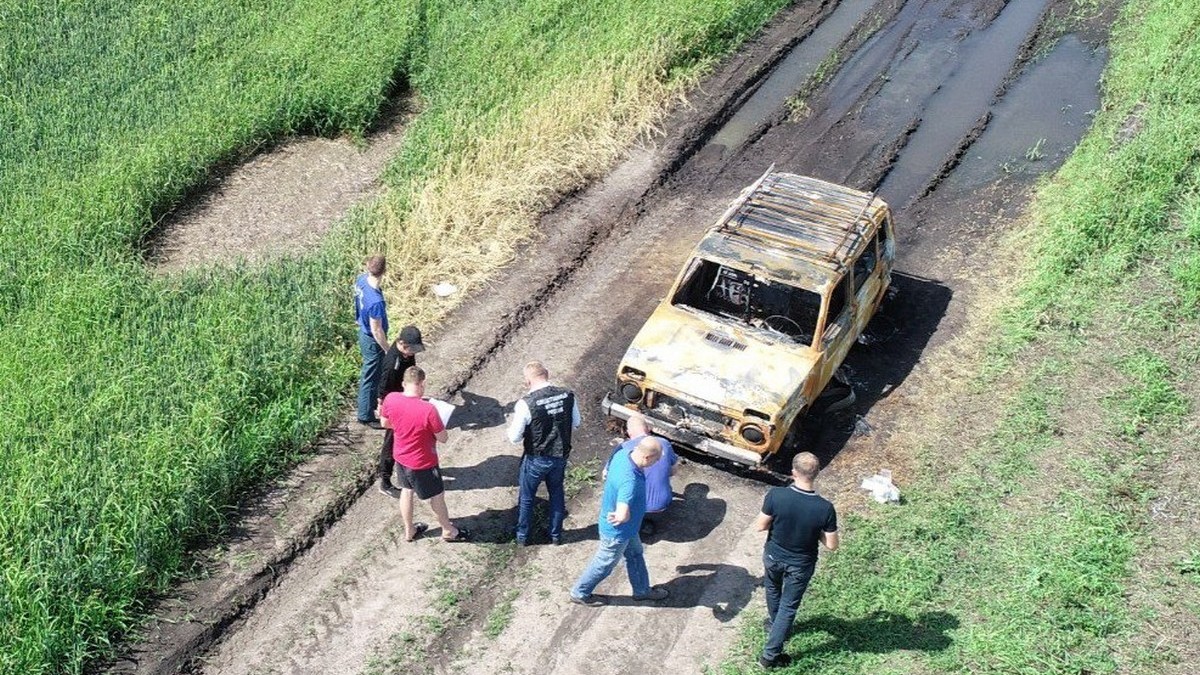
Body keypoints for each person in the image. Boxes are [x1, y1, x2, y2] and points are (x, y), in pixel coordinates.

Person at [753, 452, 839, 669]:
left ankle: (775, 626)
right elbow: (831, 544)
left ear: (793, 472)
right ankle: (770, 656)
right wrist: (815, 531)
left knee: (773, 590)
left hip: (773, 556)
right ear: (817, 474)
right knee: (788, 607)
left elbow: (761, 525)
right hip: (800, 564)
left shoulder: (776, 495)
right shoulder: (825, 508)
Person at [569, 436, 669, 606]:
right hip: (617, 533)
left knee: (635, 554)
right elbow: (622, 514)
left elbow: (618, 449)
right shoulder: (630, 481)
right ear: (647, 458)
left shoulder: (623, 455)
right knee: (605, 563)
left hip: (629, 530)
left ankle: (642, 591)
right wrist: (625, 515)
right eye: (656, 460)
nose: (657, 463)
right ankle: (580, 592)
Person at [379, 366, 470, 543]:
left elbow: (384, 422)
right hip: (423, 461)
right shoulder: (428, 410)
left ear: (404, 384)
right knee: (437, 496)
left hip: (401, 456)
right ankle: (448, 530)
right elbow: (443, 438)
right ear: (422, 384)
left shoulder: (391, 398)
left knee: (407, 491)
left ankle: (409, 530)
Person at [505, 361, 580, 546]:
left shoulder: (526, 403)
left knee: (527, 497)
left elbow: (514, 437)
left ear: (527, 381)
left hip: (536, 458)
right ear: (546, 374)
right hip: (560, 455)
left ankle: (522, 535)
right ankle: (556, 535)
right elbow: (576, 422)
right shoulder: (568, 395)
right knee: (556, 493)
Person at [603, 413, 678, 537]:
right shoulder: (663, 443)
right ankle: (647, 521)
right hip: (661, 506)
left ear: (628, 432)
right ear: (648, 429)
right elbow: (673, 471)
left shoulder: (623, 449)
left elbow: (606, 474)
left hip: (631, 508)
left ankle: (639, 523)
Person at [376, 325, 426, 496]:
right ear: (402, 344)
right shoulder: (392, 364)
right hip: (395, 406)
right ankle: (385, 480)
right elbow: (383, 389)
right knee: (391, 441)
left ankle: (408, 469)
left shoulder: (406, 354)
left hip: (405, 399)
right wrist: (383, 407)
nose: (414, 353)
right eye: (412, 349)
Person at [354, 255, 389, 427]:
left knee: (373, 373)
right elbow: (377, 330)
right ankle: (365, 415)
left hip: (362, 331)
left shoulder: (361, 280)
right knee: (370, 375)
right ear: (384, 271)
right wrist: (387, 349)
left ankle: (369, 404)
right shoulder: (376, 302)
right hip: (371, 339)